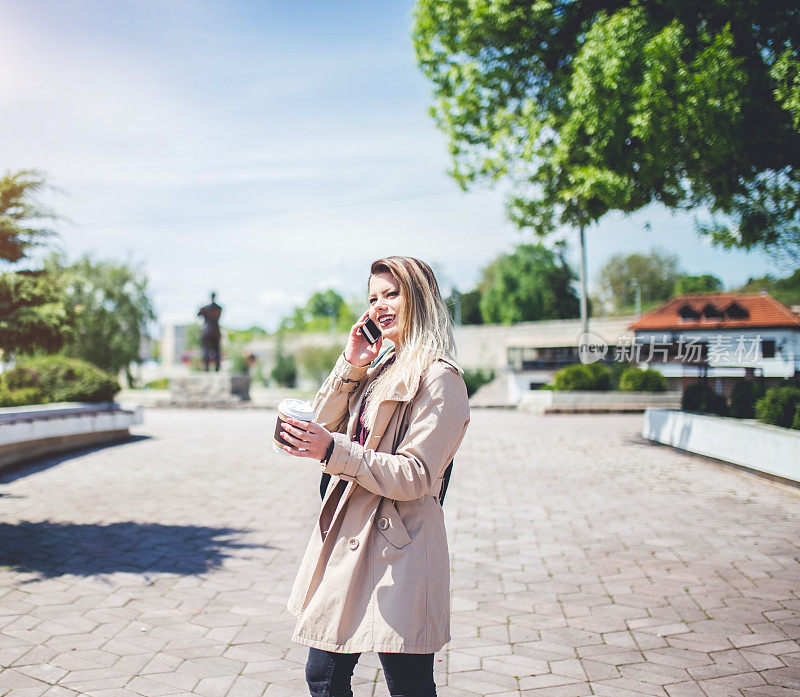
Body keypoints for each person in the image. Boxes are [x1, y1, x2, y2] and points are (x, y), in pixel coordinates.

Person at [279, 256, 470, 697]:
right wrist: (352, 363)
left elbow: (418, 474)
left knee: (407, 685)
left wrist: (335, 452)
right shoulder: (379, 365)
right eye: (373, 297)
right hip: (350, 534)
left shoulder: (440, 378)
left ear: (419, 299)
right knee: (323, 675)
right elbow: (325, 419)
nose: (380, 305)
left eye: (392, 293)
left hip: (400, 545)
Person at [197, 292, 222, 372]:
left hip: (207, 330)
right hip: (216, 330)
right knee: (216, 350)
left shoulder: (206, 308)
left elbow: (198, 314)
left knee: (206, 350)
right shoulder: (219, 308)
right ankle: (217, 367)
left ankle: (206, 367)